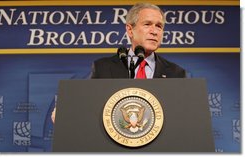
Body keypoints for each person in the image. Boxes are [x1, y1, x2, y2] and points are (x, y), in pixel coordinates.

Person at [51, 2, 186, 123]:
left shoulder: (176, 73)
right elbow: (85, 102)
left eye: (159, 26)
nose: (154, 31)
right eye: (147, 24)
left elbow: (182, 116)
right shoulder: (103, 67)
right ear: (129, 30)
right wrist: (66, 110)